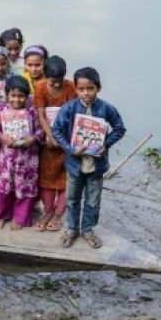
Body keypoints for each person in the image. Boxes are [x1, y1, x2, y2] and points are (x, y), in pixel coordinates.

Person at [53, 67, 126, 249]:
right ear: (76, 89)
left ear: (98, 88)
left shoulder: (106, 108)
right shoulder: (69, 109)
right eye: (81, 89)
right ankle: (71, 229)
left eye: (90, 88)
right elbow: (57, 130)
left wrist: (106, 144)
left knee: (93, 200)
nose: (86, 93)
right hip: (75, 164)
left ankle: (87, 229)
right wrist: (70, 149)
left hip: (96, 165)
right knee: (72, 198)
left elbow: (119, 128)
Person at [0, 76, 43, 230]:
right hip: (7, 157)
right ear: (7, 95)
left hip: (28, 158)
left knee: (25, 186)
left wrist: (32, 139)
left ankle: (20, 218)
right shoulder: (1, 110)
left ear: (26, 96)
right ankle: (1, 215)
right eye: (13, 95)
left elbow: (41, 132)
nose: (17, 99)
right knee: (4, 186)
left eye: (21, 96)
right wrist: (2, 137)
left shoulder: (32, 112)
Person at [34, 55, 77, 232]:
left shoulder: (71, 87)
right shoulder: (40, 87)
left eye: (60, 81)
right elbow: (41, 115)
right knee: (46, 179)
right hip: (48, 141)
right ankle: (48, 210)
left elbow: (76, 114)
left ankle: (59, 213)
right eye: (53, 82)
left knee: (66, 178)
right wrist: (50, 136)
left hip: (67, 139)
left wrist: (64, 140)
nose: (57, 85)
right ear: (46, 77)